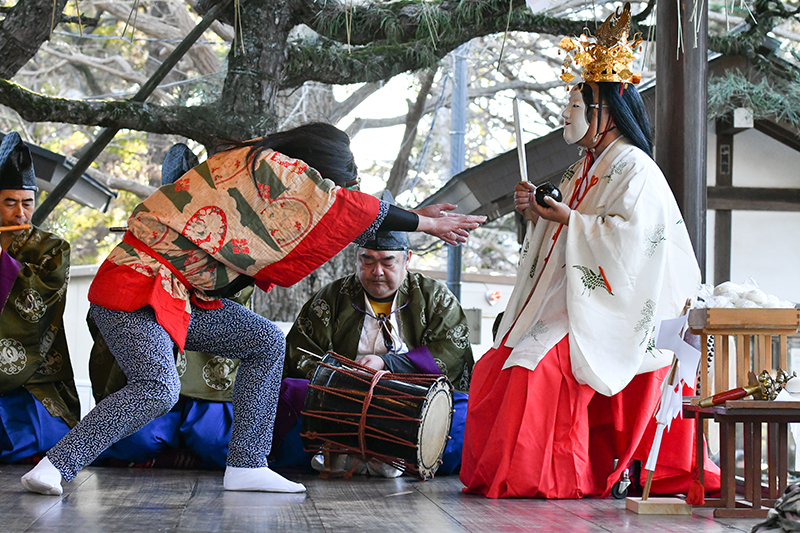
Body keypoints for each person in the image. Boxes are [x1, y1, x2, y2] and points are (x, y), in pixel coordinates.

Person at [21, 122, 485, 496]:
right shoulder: (271, 167)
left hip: (183, 294)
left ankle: (246, 464)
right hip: (138, 285)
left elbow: (341, 220)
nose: (332, 193)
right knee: (158, 389)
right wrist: (425, 221)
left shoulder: (262, 171)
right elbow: (343, 208)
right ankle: (55, 464)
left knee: (264, 342)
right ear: (313, 171)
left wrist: (419, 218)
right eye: (333, 184)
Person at [460, 5, 720, 498]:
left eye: (575, 106)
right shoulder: (584, 167)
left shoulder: (636, 168)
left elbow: (630, 242)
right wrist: (539, 212)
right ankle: (523, 474)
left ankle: (555, 478)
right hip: (571, 298)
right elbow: (566, 229)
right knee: (502, 358)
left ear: (605, 110)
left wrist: (568, 221)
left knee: (537, 365)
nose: (566, 115)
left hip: (614, 305)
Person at [281, 197, 473, 475]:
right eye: (367, 261)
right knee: (290, 394)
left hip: (412, 397)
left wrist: (388, 366)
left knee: (463, 413)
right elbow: (301, 352)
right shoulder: (332, 297)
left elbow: (452, 353)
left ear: (407, 260)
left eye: (387, 262)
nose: (377, 272)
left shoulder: (434, 297)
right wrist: (348, 379)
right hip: (342, 397)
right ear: (355, 259)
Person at [87, 144, 251, 469]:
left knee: (216, 444)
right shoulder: (144, 239)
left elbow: (234, 299)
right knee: (137, 441)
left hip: (204, 374)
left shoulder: (227, 241)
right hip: (155, 368)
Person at [0, 132, 79, 464]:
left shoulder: (53, 248)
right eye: (9, 202)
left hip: (35, 372)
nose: (21, 213)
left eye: (27, 202)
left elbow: (40, 296)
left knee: (42, 435)